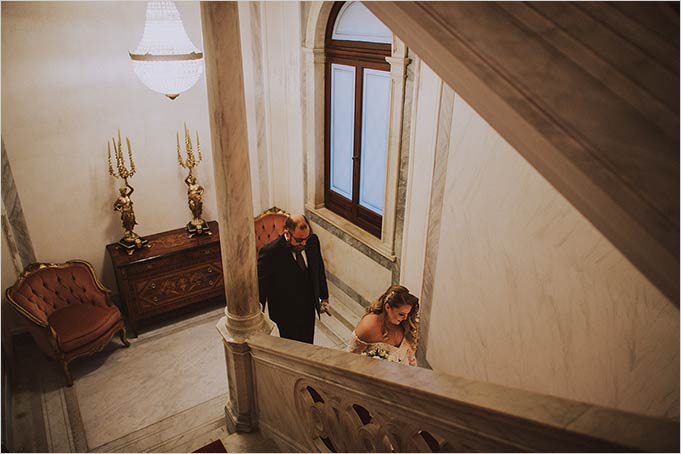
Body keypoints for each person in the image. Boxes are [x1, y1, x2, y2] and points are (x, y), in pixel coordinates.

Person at [257, 214, 330, 343]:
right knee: (291, 347)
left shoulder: (312, 241)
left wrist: (324, 298)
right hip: (285, 311)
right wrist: (258, 314)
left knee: (308, 342)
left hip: (308, 306)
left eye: (306, 238)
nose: (304, 243)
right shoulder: (270, 253)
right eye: (299, 240)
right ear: (287, 233)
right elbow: (262, 286)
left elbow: (318, 269)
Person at [347, 285, 419, 366]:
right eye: (401, 314)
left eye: (408, 313)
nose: (405, 318)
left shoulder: (405, 324)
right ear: (388, 307)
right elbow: (351, 358)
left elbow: (410, 356)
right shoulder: (368, 326)